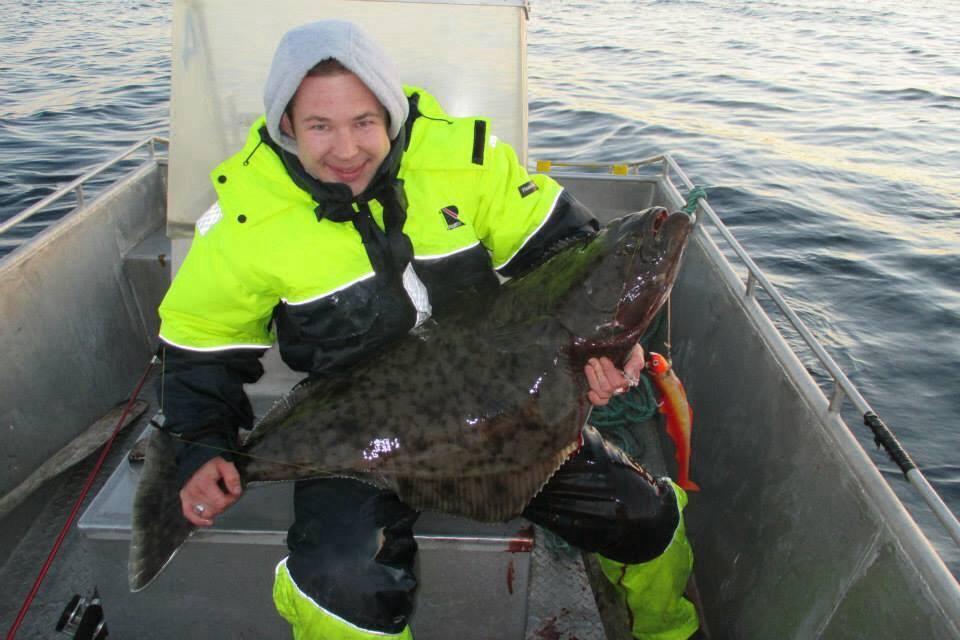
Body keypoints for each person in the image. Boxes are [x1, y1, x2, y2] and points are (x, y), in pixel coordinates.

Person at [156, 20, 699, 640]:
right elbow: (200, 346)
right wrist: (200, 447)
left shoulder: (463, 161)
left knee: (644, 515)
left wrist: (618, 349)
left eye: (364, 121)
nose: (346, 149)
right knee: (339, 584)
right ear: (286, 124)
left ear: (390, 113)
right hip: (363, 432)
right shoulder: (246, 217)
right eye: (319, 126)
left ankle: (667, 631)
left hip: (507, 413)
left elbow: (571, 253)